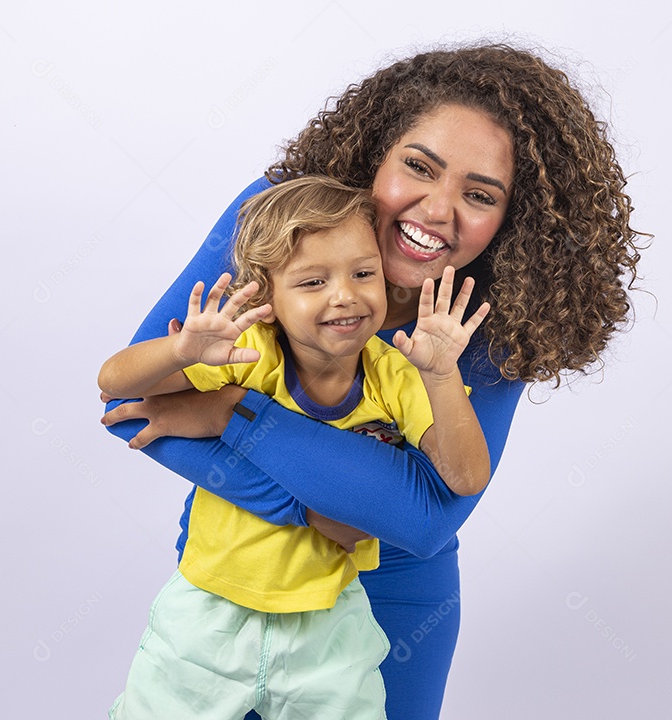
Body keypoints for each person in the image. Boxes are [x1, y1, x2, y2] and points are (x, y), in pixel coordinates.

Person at [101, 43, 644, 720]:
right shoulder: (279, 224)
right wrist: (316, 513)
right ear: (374, 156)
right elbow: (131, 399)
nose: (439, 210)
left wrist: (235, 415)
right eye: (419, 166)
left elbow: (423, 517)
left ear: (513, 220)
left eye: (480, 195)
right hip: (230, 585)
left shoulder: (491, 319)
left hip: (393, 608)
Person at [100, 176, 492, 719]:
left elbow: (466, 477)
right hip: (210, 611)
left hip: (329, 625)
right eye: (312, 281)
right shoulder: (245, 354)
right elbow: (115, 382)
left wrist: (443, 376)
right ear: (267, 296)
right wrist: (180, 349)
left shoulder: (398, 374)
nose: (345, 295)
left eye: (363, 273)